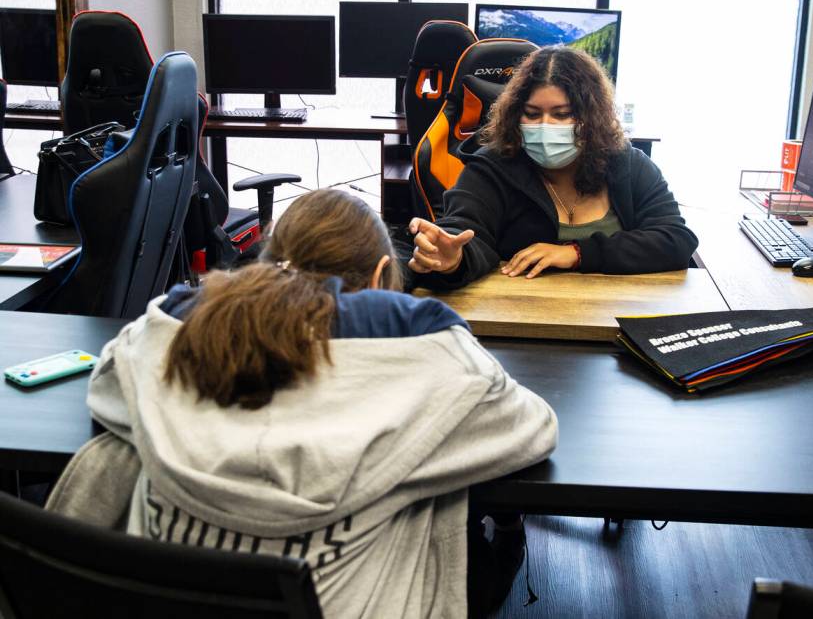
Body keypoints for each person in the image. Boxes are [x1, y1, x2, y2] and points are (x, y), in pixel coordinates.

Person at [70, 189, 557, 619]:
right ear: (382, 273)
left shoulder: (161, 338)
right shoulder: (424, 355)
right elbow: (532, 430)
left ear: (265, 261)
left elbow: (108, 392)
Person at [408, 47, 699, 289]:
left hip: (618, 321)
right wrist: (452, 259)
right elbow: (466, 232)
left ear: (591, 117)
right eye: (532, 114)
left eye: (562, 115)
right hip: (519, 324)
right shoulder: (492, 167)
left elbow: (676, 239)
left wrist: (577, 254)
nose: (546, 126)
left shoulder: (629, 164)